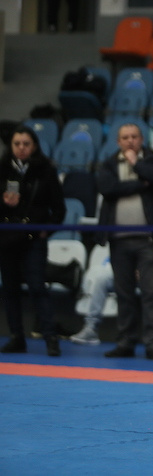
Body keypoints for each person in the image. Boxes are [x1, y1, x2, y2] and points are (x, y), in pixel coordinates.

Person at [96, 123, 153, 361]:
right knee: (123, 293)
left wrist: (136, 165)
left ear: (142, 139)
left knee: (151, 293)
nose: (130, 141)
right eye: (125, 137)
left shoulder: (152, 159)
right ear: (118, 141)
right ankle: (125, 342)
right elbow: (106, 188)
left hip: (148, 238)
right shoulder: (109, 163)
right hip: (118, 239)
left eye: (134, 137)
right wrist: (141, 184)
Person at [70, 212, 153, 345]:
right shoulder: (138, 224)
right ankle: (91, 328)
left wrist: (146, 271)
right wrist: (130, 269)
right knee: (103, 278)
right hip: (135, 273)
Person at [0, 125, 66, 356]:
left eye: (26, 144)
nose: (21, 148)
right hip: (7, 238)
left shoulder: (45, 170)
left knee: (37, 287)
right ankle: (16, 337)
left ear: (35, 146)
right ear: (11, 146)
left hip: (34, 238)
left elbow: (59, 209)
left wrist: (46, 230)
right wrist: (3, 203)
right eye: (17, 144)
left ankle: (50, 338)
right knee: (10, 289)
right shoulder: (2, 169)